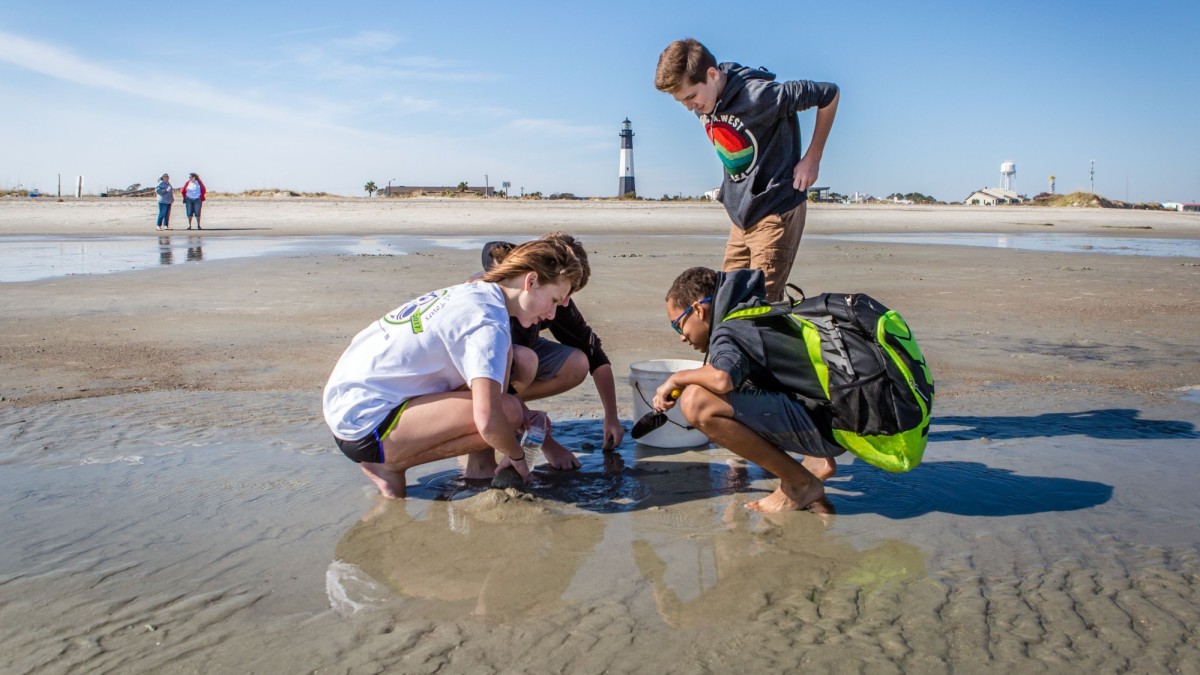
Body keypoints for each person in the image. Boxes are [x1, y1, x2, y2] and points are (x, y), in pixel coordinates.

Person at [322, 237, 585, 499]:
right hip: (362, 423)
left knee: (512, 391)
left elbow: (496, 394)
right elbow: (489, 419)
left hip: (350, 400)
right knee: (507, 414)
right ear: (530, 282)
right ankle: (389, 464)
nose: (552, 315)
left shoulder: (480, 292)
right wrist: (517, 457)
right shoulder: (486, 323)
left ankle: (418, 460)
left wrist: (525, 423)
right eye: (554, 300)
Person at [654, 39, 840, 302]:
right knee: (728, 303)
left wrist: (813, 157)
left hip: (774, 209)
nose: (689, 107)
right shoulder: (706, 100)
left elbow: (829, 94)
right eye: (681, 101)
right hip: (740, 217)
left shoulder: (759, 96)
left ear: (711, 74)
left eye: (691, 96)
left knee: (761, 306)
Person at [651, 266, 844, 513]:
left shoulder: (730, 330)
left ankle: (799, 484)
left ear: (698, 310)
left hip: (828, 429)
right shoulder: (753, 311)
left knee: (696, 402)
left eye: (678, 326)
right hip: (836, 416)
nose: (682, 337)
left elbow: (722, 379)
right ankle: (817, 460)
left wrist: (677, 379)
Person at [477, 233, 624, 470]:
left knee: (577, 362)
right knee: (524, 362)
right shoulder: (506, 296)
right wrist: (547, 444)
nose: (562, 306)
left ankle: (509, 410)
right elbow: (490, 249)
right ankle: (502, 413)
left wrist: (612, 417)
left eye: (571, 293)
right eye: (560, 296)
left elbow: (594, 352)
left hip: (517, 353)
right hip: (485, 366)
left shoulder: (556, 300)